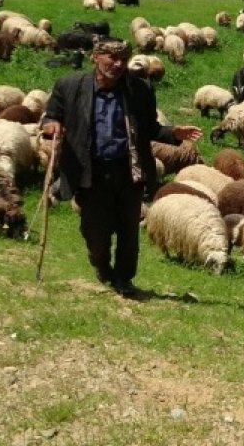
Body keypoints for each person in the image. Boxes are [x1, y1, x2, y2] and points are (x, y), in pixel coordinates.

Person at [40, 37, 201, 297]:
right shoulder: (69, 85)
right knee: (95, 232)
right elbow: (51, 116)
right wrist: (51, 125)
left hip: (128, 170)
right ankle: (102, 266)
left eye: (122, 60)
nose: (117, 64)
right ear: (95, 57)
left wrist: (174, 133)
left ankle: (124, 279)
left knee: (129, 231)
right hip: (90, 171)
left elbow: (150, 127)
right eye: (111, 58)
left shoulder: (139, 89)